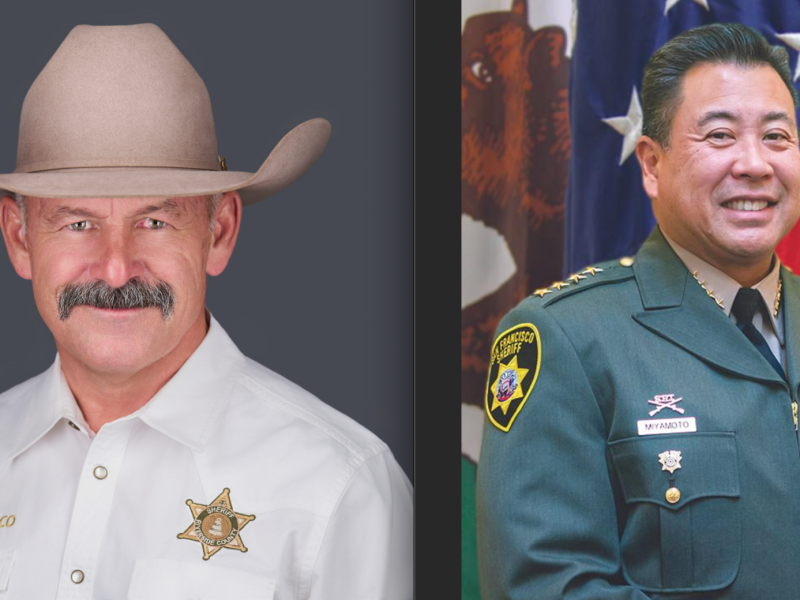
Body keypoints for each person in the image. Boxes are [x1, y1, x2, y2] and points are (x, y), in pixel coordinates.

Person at [0, 23, 412, 599]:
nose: (116, 269)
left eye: (155, 222)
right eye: (78, 224)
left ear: (219, 233)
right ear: (19, 239)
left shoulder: (341, 489)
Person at [477, 22, 800, 599]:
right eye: (720, 135)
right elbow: (548, 585)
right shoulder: (564, 338)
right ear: (651, 164)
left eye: (777, 136)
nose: (755, 164)